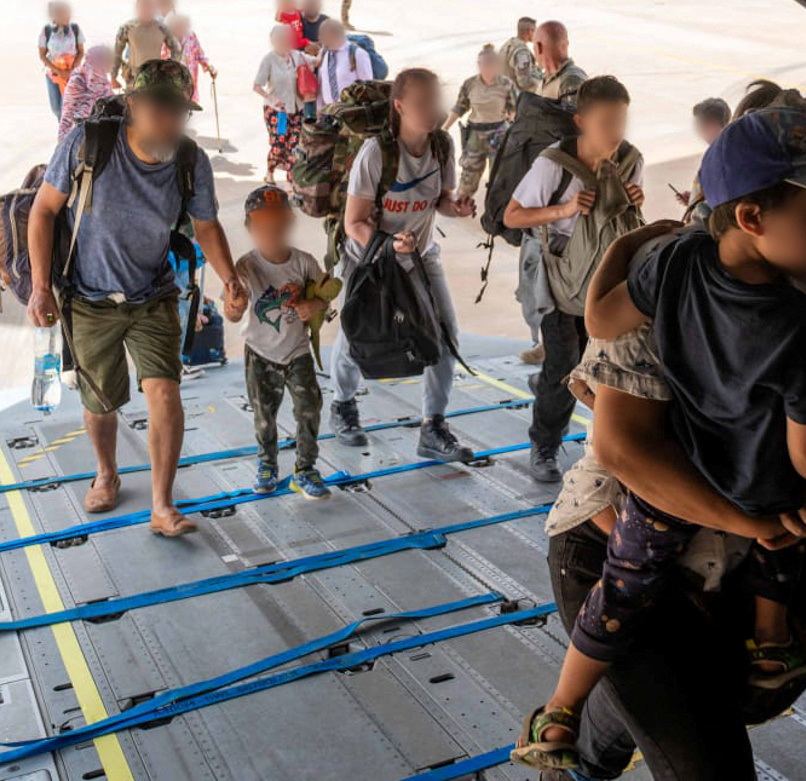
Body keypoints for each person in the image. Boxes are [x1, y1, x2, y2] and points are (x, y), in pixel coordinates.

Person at [514, 105, 806, 769]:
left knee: (644, 653)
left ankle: (576, 719)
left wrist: (626, 250)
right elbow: (623, 449)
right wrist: (790, 503)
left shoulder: (722, 273)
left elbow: (600, 313)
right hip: (639, 518)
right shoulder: (737, 297)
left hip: (711, 535)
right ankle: (750, 642)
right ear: (753, 217)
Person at [27, 60, 240, 537]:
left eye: (178, 112)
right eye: (158, 110)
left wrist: (230, 279)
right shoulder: (87, 146)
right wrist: (42, 286)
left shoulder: (190, 161)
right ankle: (107, 472)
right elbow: (43, 211)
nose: (169, 121)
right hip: (87, 296)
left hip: (153, 292)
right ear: (132, 106)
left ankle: (163, 506)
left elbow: (205, 225)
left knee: (164, 390)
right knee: (100, 403)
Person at [503, 76, 645, 483]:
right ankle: (544, 443)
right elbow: (513, 217)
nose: (614, 133)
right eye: (605, 123)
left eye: (620, 121)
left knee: (599, 361)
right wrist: (562, 210)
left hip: (601, 277)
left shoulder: (631, 160)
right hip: (556, 279)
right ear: (581, 121)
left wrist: (634, 201)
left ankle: (606, 440)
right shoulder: (553, 164)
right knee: (564, 364)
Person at [331, 68, 474, 460]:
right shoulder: (376, 154)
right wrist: (389, 244)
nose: (432, 110)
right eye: (422, 103)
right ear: (400, 106)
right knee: (360, 335)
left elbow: (440, 199)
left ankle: (433, 426)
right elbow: (354, 223)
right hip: (371, 261)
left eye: (435, 101)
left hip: (421, 255)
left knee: (443, 336)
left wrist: (455, 207)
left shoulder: (442, 146)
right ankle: (342, 404)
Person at [226, 185, 331, 498]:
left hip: (297, 351)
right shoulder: (245, 268)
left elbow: (326, 297)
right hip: (259, 353)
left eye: (278, 226)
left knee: (309, 409)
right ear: (250, 228)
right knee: (264, 416)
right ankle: (267, 463)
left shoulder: (304, 263)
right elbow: (231, 314)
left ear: (289, 225)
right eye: (263, 228)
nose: (271, 233)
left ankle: (306, 468)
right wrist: (235, 306)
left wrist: (314, 307)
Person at [445, 45, 517, 199]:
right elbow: (459, 107)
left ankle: (497, 209)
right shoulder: (470, 84)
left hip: (498, 133)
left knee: (499, 175)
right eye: (481, 63)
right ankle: (461, 203)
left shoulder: (506, 84)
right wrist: (444, 128)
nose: (484, 67)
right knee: (469, 174)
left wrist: (510, 125)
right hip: (475, 135)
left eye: (488, 64)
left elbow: (514, 108)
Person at [254, 25, 307, 183]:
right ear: (274, 41)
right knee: (280, 144)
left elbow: (315, 62)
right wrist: (271, 98)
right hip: (280, 112)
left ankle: (290, 182)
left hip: (297, 109)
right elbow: (257, 86)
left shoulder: (297, 56)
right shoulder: (269, 60)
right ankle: (270, 172)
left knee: (295, 146)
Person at [677, 97, 732, 218]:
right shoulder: (716, 151)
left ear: (712, 124)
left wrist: (698, 203)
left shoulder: (724, 155)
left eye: (701, 125)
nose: (699, 131)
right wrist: (693, 198)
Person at [111, 0, 179, 86]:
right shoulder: (127, 28)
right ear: (137, 7)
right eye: (143, 6)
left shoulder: (161, 28)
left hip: (156, 77)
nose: (146, 9)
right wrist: (113, 76)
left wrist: (170, 67)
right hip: (133, 77)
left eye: (148, 6)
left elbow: (176, 49)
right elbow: (117, 53)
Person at [311, 18, 374, 109]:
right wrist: (319, 108)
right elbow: (321, 83)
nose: (319, 38)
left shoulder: (357, 54)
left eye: (322, 34)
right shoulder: (323, 53)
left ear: (334, 35)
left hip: (351, 114)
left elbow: (367, 86)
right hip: (329, 113)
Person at [38, 0, 84, 119]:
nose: (67, 16)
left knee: (68, 106)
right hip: (53, 74)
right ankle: (64, 129)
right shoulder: (46, 31)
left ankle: (66, 135)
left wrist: (72, 70)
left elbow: (81, 52)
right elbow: (42, 55)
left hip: (71, 73)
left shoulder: (75, 29)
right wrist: (59, 71)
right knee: (56, 108)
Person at [58, 45, 114, 140]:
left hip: (99, 129)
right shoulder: (78, 80)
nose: (111, 63)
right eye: (109, 59)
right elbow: (68, 113)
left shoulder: (101, 78)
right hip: (80, 134)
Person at [535, 21, 587, 107]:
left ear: (539, 47)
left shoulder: (571, 80)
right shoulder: (545, 80)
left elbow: (574, 119)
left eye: (534, 49)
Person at [168, 15, 215, 105]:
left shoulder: (191, 37)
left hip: (189, 81)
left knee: (189, 111)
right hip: (173, 83)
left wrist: (209, 68)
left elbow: (200, 55)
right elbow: (162, 59)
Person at [499, 17, 542, 93]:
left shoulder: (508, 45)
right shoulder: (522, 52)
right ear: (530, 32)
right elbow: (524, 82)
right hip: (518, 98)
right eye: (535, 31)